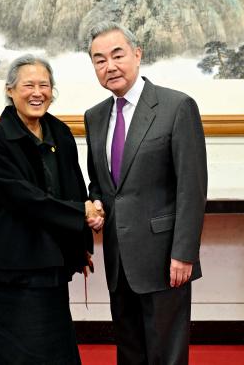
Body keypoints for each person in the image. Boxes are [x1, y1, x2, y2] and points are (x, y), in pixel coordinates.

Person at [84, 22, 207, 365]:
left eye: (118, 55)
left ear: (138, 54)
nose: (110, 66)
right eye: (99, 60)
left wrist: (184, 253)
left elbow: (192, 188)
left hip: (164, 258)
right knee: (130, 352)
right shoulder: (94, 117)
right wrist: (96, 203)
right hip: (119, 259)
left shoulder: (176, 106)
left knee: (166, 355)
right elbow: (99, 183)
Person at [0, 54, 100, 365]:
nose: (37, 92)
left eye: (44, 85)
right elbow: (24, 199)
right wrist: (80, 213)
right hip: (10, 265)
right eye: (28, 85)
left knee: (55, 349)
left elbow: (74, 187)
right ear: (10, 90)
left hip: (50, 262)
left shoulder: (60, 132)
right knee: (16, 353)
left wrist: (81, 245)